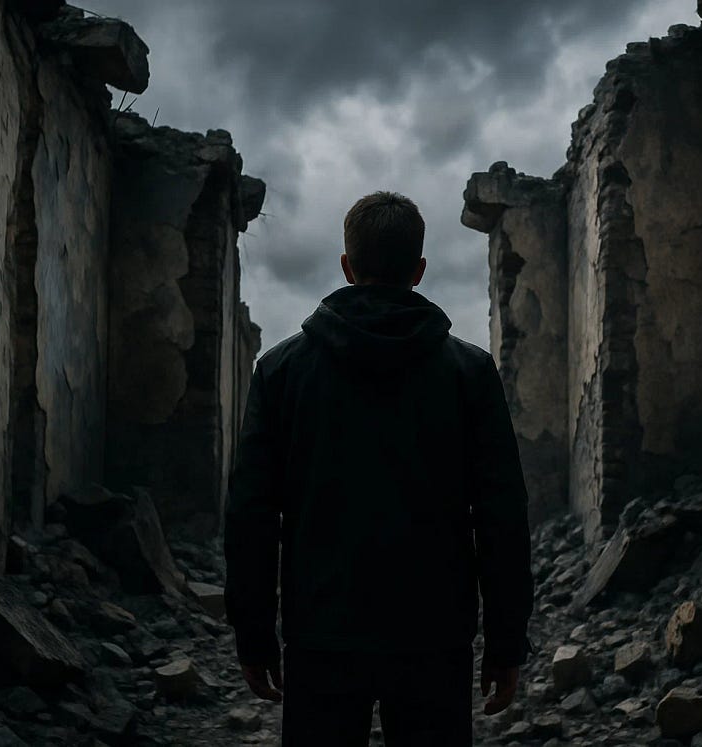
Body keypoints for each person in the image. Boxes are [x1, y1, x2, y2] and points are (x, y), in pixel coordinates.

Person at [224, 191, 533, 746]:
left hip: (321, 631)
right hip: (433, 634)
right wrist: (506, 642)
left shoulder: (281, 371)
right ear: (419, 271)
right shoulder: (469, 373)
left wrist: (253, 634)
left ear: (346, 267)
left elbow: (251, 515)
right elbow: (501, 515)